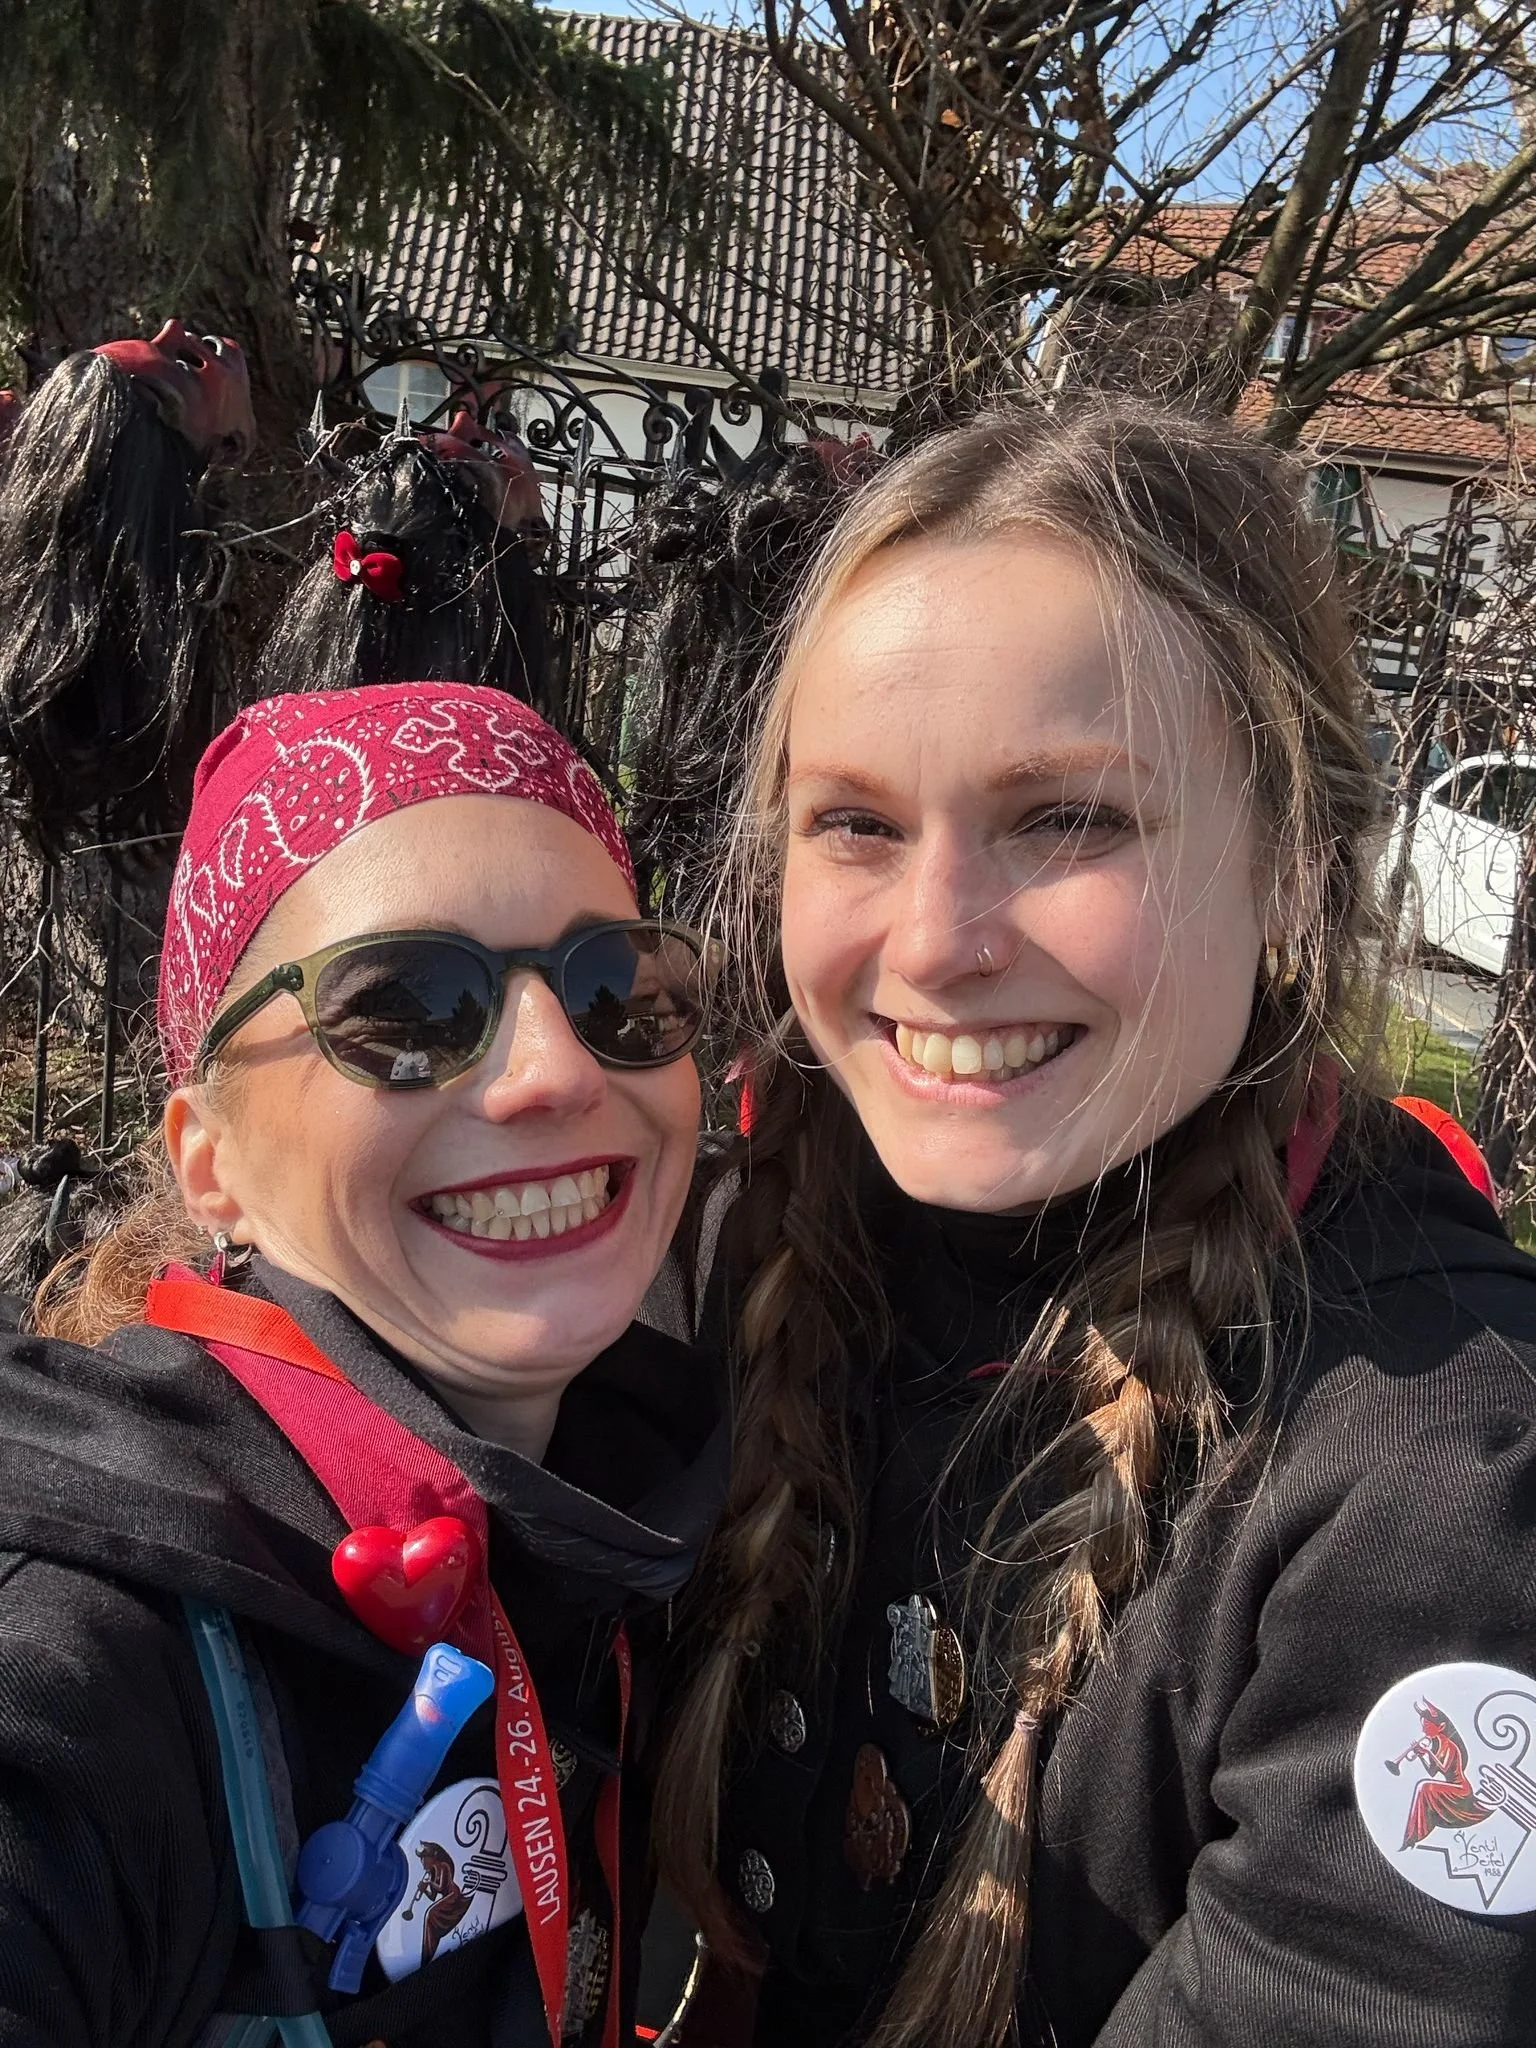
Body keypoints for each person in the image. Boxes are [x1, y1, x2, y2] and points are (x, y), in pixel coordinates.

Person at [652, 399, 1536, 2048]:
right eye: (855, 821)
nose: (934, 940)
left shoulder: (1438, 1503)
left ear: (1287, 866)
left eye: (1068, 820)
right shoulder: (750, 1246)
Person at [0, 680, 723, 2047]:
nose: (552, 1074)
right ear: (210, 1161)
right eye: (406, 1008)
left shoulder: (649, 1500)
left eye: (612, 987)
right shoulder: (89, 1647)